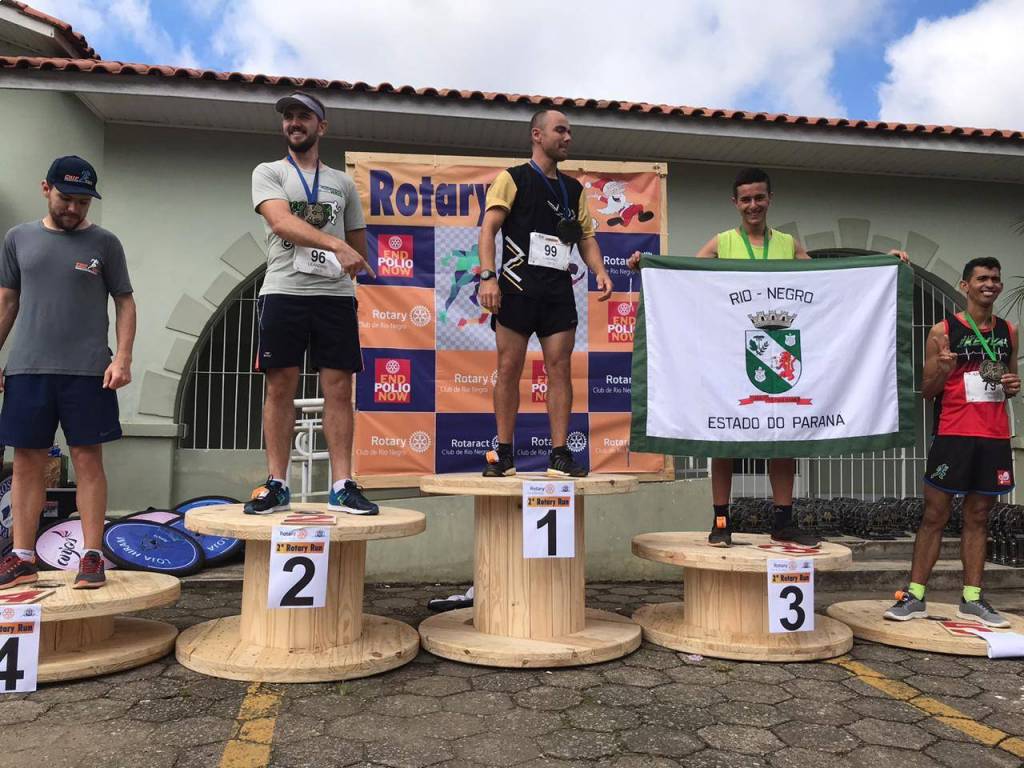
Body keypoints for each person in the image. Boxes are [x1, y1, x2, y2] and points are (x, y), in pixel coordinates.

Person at [628, 167, 907, 547]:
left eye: (759, 197)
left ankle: (783, 520)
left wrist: (882, 265)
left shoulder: (788, 245)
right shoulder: (721, 242)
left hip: (779, 341)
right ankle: (721, 520)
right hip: (729, 355)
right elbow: (686, 282)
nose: (753, 205)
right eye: (746, 199)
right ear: (735, 202)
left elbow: (829, 282)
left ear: (770, 199)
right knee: (722, 440)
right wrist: (648, 266)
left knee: (784, 437)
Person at [0, 155, 136, 589]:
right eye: (66, 198)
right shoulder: (18, 238)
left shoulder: (106, 243)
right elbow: (7, 301)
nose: (74, 208)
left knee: (87, 460)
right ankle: (22, 557)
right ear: (46, 189)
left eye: (83, 202)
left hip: (88, 372)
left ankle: (91, 556)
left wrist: (123, 358)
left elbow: (125, 302)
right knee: (27, 463)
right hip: (27, 369)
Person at [248, 91, 378, 515]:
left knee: (339, 388)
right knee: (280, 385)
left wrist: (346, 254)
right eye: (288, 116)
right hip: (283, 290)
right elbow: (280, 221)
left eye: (303, 116)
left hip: (334, 296)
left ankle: (342, 485)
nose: (294, 122)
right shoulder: (269, 172)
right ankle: (277, 482)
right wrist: (334, 245)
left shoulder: (342, 183)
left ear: (321, 126)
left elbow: (357, 243)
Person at [477, 109, 613, 478]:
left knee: (560, 369)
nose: (568, 138)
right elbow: (488, 229)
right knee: (508, 368)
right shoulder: (512, 178)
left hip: (557, 291)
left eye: (570, 132)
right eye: (560, 131)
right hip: (516, 287)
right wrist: (488, 277)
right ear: (537, 135)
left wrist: (600, 270)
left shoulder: (574, 189)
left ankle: (559, 454)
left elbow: (586, 237)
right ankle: (504, 453)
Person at [885, 257, 1019, 627]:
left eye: (995, 279)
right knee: (935, 515)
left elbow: (1009, 381)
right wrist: (943, 370)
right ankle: (915, 595)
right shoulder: (943, 331)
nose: (989, 284)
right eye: (981, 278)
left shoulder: (1009, 331)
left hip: (993, 436)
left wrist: (1012, 385)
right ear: (965, 285)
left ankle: (972, 598)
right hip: (953, 434)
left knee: (979, 516)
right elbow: (928, 391)